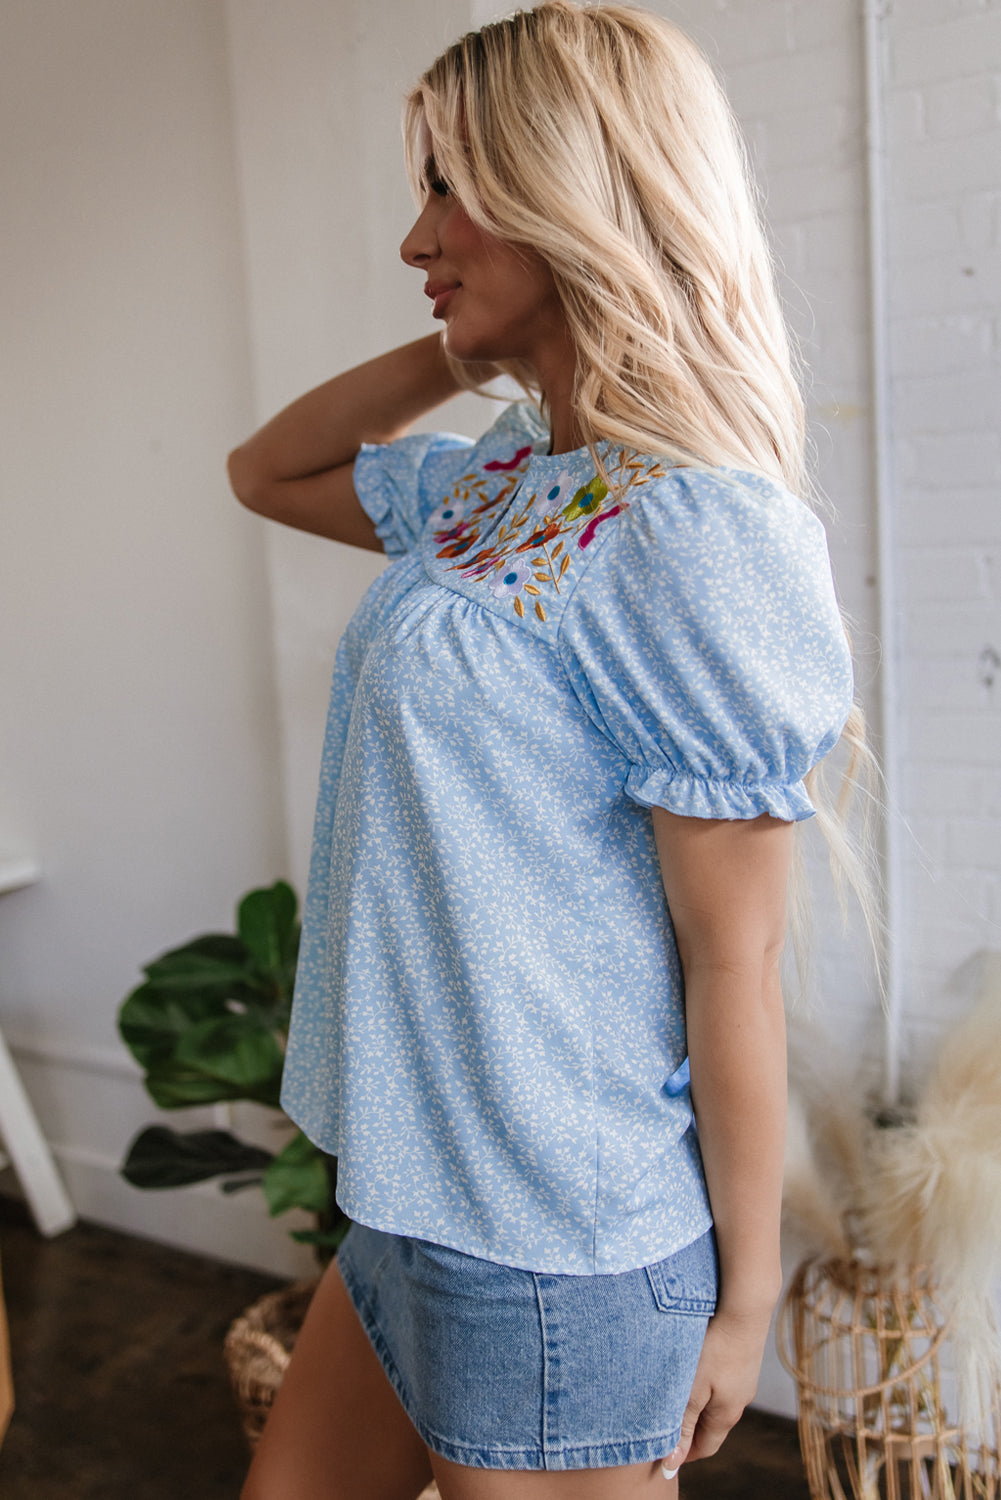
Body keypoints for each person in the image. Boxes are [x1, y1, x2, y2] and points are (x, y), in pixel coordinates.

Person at [228, 5, 860, 1496]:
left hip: (554, 1250)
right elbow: (268, 469)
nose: (415, 238)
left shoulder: (699, 529)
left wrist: (744, 1300)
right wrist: (470, 344)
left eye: (451, 188)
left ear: (571, 193)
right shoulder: (506, 478)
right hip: (407, 1198)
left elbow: (735, 958)